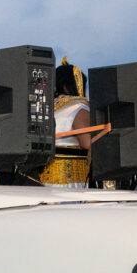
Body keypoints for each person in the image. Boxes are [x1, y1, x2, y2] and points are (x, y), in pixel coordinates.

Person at [40, 57, 92, 188]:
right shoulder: (79, 107)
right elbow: (87, 143)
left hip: (44, 180)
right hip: (70, 181)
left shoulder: (46, 107)